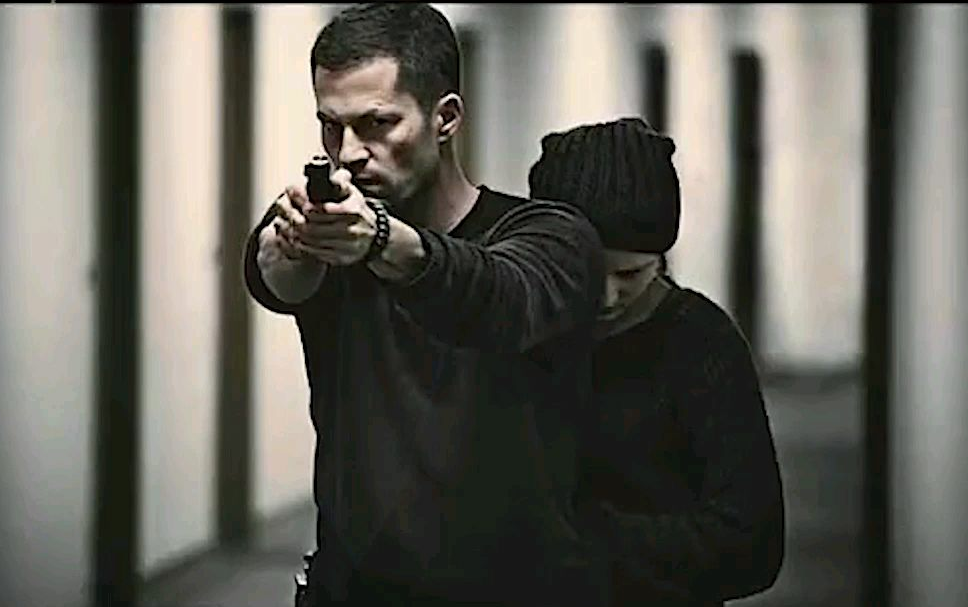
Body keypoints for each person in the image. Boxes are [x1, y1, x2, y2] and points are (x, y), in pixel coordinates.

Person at [243, 4, 609, 606]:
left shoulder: (549, 235)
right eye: (331, 126)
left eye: (377, 124)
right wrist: (289, 250)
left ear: (446, 118)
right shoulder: (336, 234)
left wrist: (383, 242)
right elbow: (274, 278)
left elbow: (498, 298)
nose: (348, 152)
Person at [527, 117, 786, 606]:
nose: (606, 297)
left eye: (631, 274)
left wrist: (578, 539)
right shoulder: (525, 329)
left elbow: (753, 543)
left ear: (661, 259)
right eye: (586, 271)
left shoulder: (701, 342)